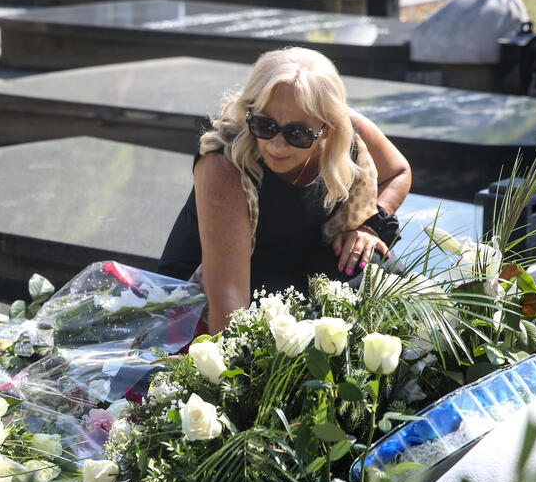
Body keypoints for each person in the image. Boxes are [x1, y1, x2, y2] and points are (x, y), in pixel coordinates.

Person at [158, 47, 411, 333]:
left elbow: (398, 172)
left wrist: (369, 226)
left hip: (303, 259)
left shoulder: (350, 132)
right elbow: (230, 301)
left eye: (298, 133)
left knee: (380, 271)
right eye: (265, 125)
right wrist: (220, 358)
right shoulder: (224, 164)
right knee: (292, 320)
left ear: (328, 128)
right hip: (220, 279)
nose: (277, 145)